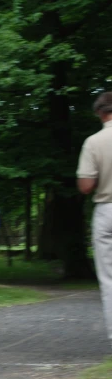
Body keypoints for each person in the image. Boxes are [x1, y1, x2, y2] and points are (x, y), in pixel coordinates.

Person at [77, 91, 112, 348]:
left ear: (100, 113)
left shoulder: (94, 142)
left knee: (109, 278)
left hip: (106, 210)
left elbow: (86, 185)